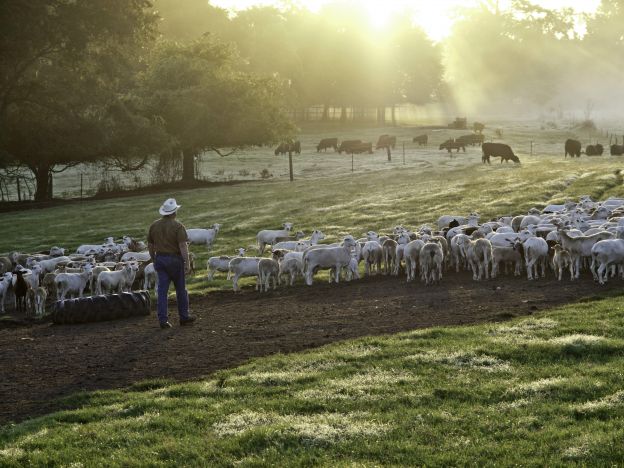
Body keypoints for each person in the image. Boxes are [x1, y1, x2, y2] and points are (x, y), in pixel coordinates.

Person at [147, 198, 196, 328]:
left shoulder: (154, 225)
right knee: (181, 290)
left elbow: (150, 245)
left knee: (162, 291)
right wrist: (187, 263)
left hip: (160, 259)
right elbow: (182, 246)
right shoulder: (178, 226)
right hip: (175, 260)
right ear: (174, 212)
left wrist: (153, 259)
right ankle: (184, 317)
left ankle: (163, 320)